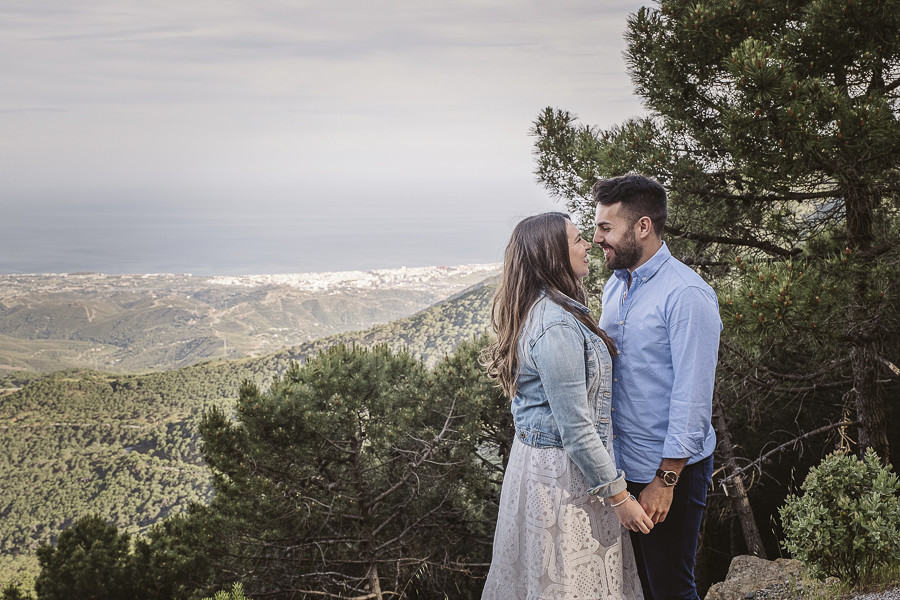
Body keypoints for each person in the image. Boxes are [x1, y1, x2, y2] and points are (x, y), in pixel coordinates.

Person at [482, 211, 653, 600]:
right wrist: (619, 496)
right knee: (570, 582)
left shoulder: (552, 309)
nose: (588, 244)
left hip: (552, 469)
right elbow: (576, 429)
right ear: (554, 256)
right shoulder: (556, 325)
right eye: (577, 240)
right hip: (564, 477)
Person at [591, 174, 721, 600]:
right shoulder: (615, 286)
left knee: (670, 588)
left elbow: (693, 397)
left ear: (642, 227)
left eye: (606, 228)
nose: (596, 239)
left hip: (669, 472)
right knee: (640, 585)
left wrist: (666, 480)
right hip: (624, 468)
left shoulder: (686, 295)